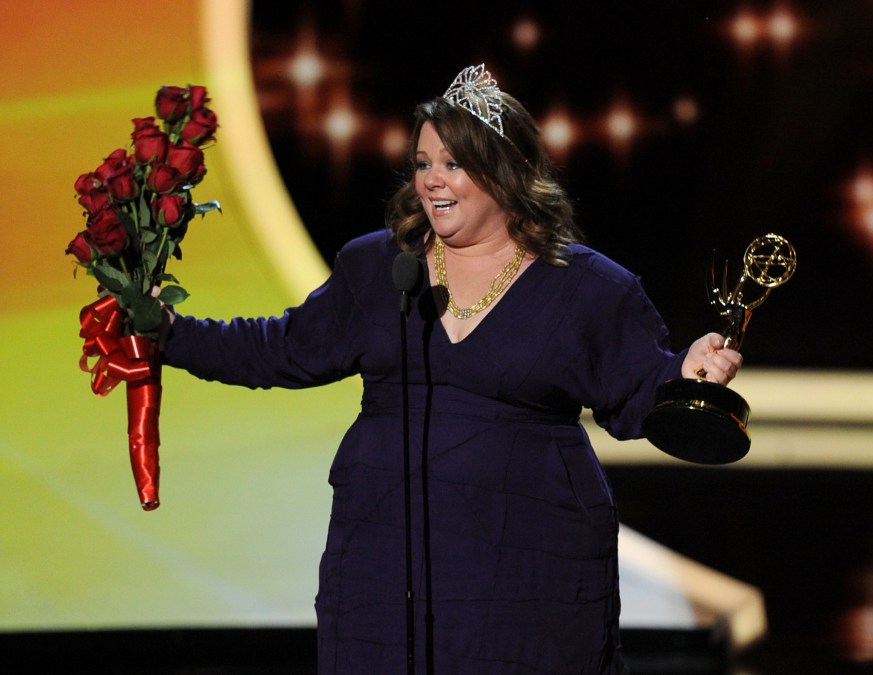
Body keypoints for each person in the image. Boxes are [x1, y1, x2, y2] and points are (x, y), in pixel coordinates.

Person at [161, 64, 743, 674]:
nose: (432, 182)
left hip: (529, 573)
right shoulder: (378, 269)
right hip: (384, 562)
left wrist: (688, 374)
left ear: (508, 171)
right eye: (422, 163)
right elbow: (279, 349)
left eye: (454, 164)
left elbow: (637, 394)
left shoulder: (587, 288)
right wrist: (168, 334)